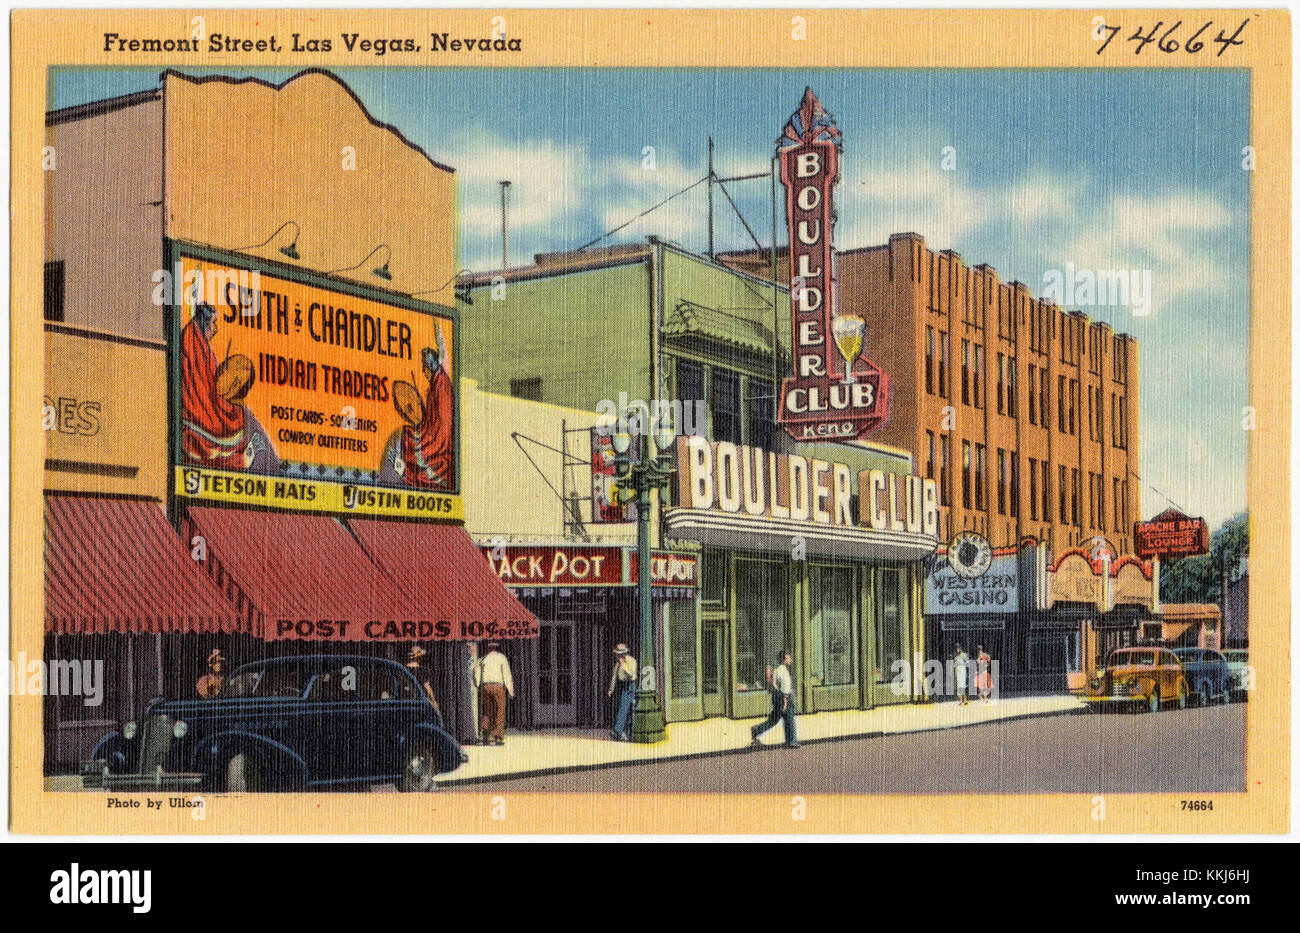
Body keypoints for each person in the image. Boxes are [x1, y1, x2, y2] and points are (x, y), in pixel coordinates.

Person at [180, 301, 256, 470]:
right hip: (201, 422)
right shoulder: (193, 346)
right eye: (214, 323)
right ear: (204, 322)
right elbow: (203, 389)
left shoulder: (202, 347)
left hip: (211, 413)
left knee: (235, 415)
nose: (216, 329)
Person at [395, 335, 455, 490]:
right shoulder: (437, 383)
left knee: (409, 439)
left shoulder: (442, 387)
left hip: (437, 445)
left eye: (424, 367)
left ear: (430, 367)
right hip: (431, 434)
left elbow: (443, 425)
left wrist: (423, 434)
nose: (423, 371)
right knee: (407, 433)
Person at [751, 651, 800, 748]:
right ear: (784, 659)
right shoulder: (784, 671)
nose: (790, 659)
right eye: (788, 658)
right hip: (784, 697)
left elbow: (772, 683)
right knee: (789, 719)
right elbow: (785, 688)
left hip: (777, 695)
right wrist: (785, 702)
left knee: (774, 719)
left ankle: (757, 729)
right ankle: (791, 741)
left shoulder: (777, 670)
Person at [474, 641, 514, 745]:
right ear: (497, 648)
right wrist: (510, 690)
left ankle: (485, 732)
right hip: (498, 685)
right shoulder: (501, 658)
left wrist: (478, 684)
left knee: (487, 710)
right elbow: (506, 673)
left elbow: (476, 672)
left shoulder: (482, 659)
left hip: (485, 686)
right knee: (499, 710)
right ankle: (497, 735)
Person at [607, 644, 638, 741]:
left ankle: (618, 730)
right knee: (623, 708)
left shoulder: (631, 661)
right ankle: (621, 731)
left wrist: (623, 665)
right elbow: (614, 677)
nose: (618, 657)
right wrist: (611, 689)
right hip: (622, 686)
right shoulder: (617, 664)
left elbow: (631, 674)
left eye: (620, 654)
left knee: (624, 707)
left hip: (630, 685)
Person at [406, 646, 441, 715]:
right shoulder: (421, 670)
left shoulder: (402, 668)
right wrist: (434, 701)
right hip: (418, 700)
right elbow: (427, 687)